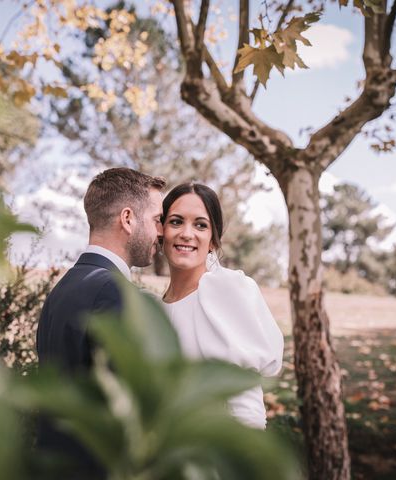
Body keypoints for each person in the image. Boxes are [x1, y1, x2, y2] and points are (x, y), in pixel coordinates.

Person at [35, 167, 165, 477]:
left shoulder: (63, 289)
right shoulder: (115, 291)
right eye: (157, 220)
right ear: (128, 219)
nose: (161, 232)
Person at [160, 183, 284, 429]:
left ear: (213, 241)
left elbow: (246, 406)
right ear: (161, 230)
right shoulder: (154, 307)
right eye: (176, 221)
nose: (186, 233)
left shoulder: (225, 291)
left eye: (200, 225)